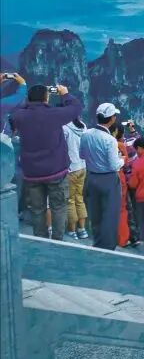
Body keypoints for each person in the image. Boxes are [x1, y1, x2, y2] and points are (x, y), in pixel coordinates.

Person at [10, 83, 81, 240]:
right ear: (46, 97)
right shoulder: (55, 114)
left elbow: (15, 115)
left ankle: (40, 241)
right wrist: (65, 94)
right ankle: (57, 242)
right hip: (56, 171)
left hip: (32, 173)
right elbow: (76, 108)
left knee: (37, 210)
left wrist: (29, 102)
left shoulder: (19, 116)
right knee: (59, 207)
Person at [80, 103, 124, 249]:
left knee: (95, 213)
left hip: (91, 177)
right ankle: (107, 247)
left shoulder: (86, 134)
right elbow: (113, 165)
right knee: (110, 215)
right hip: (108, 180)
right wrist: (122, 160)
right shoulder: (110, 140)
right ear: (111, 119)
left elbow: (81, 155)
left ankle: (97, 242)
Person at [61, 118, 89, 240]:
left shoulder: (64, 128)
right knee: (79, 198)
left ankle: (72, 231)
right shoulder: (83, 125)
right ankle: (82, 229)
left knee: (70, 200)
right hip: (83, 167)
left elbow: (61, 148)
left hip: (71, 168)